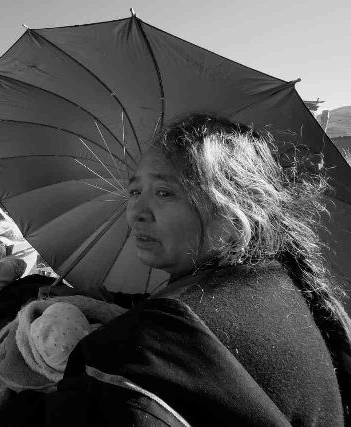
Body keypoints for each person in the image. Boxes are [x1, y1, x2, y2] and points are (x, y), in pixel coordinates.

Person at [41, 115, 350, 426]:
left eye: (164, 192)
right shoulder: (280, 286)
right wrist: (96, 298)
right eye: (134, 192)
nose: (136, 213)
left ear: (233, 214)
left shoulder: (141, 352)